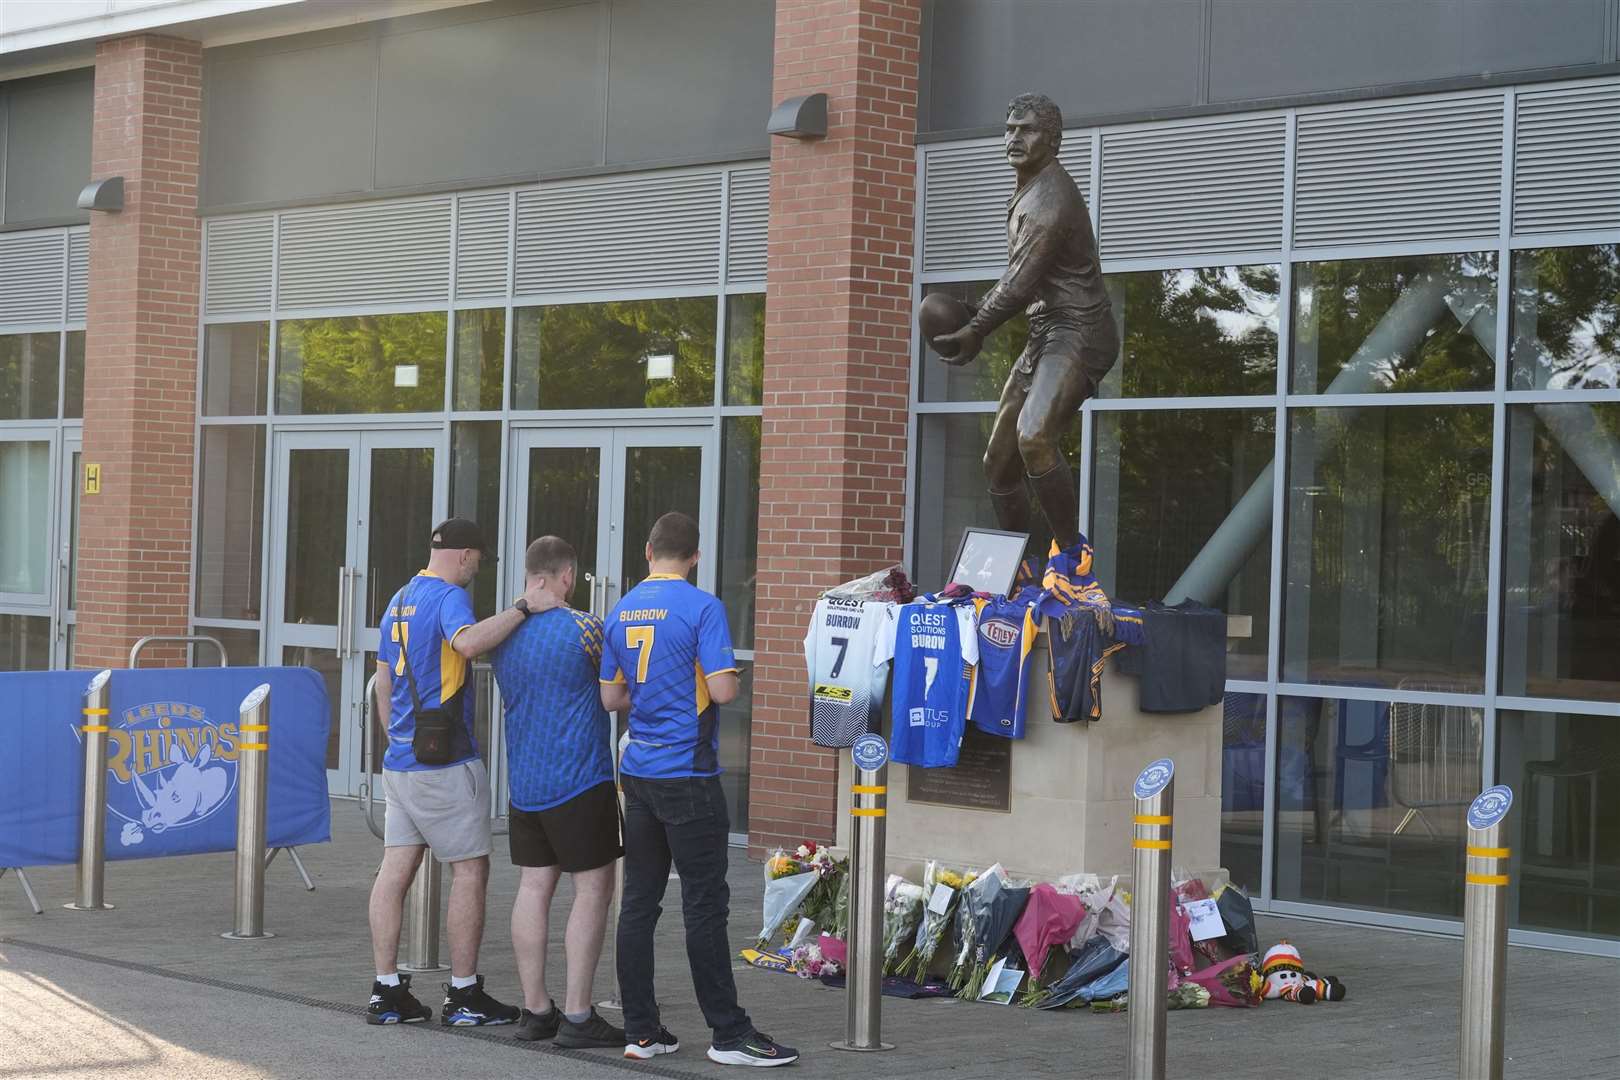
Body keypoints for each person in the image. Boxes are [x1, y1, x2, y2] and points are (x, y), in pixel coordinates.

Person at [599, 512, 798, 1067]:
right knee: (704, 905)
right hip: (688, 773)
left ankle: (641, 1031)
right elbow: (724, 691)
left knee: (638, 901)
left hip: (637, 771)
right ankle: (729, 1034)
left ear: (647, 550)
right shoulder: (703, 607)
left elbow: (612, 700)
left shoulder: (620, 610)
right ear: (695, 557)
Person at [367, 517, 556, 1027]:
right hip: (445, 761)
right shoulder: (450, 597)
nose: (478, 569)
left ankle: (387, 990)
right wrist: (522, 607)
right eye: (480, 559)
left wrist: (397, 740)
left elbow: (382, 679)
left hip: (402, 762)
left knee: (395, 869)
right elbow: (469, 644)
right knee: (470, 869)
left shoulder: (400, 598)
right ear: (466, 554)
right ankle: (464, 994)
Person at [931, 92, 1118, 552]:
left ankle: (1072, 561)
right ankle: (1027, 566)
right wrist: (977, 313)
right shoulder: (1027, 189)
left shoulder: (1052, 199)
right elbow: (1023, 280)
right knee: (998, 462)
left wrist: (975, 329)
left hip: (1080, 330)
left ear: (1052, 141)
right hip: (1045, 330)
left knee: (1034, 437)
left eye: (1027, 129)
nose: (1015, 137)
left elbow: (1019, 281)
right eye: (1010, 128)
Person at [489, 535, 625, 1049]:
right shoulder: (585, 627)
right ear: (567, 576)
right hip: (581, 779)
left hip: (525, 783)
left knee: (533, 888)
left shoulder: (501, 633)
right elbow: (615, 688)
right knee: (592, 890)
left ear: (530, 576)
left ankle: (536, 1009)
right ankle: (577, 1014)